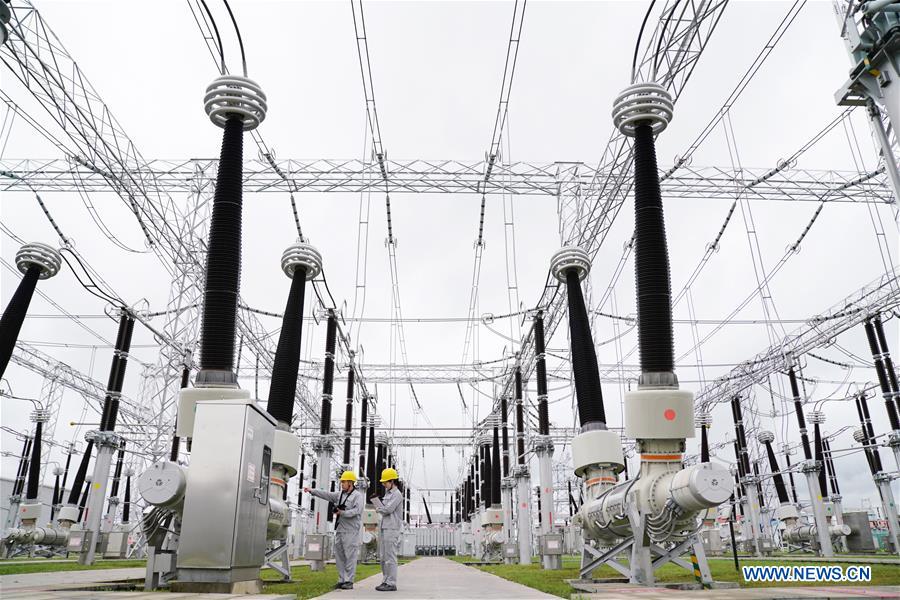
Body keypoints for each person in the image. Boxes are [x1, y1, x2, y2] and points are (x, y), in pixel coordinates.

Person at [304, 470, 363, 590]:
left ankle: (349, 581)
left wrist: (343, 513)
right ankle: (341, 580)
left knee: (350, 556)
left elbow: (357, 511)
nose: (342, 484)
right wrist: (312, 491)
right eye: (342, 482)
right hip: (340, 529)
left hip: (351, 531)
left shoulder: (358, 496)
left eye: (344, 482)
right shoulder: (340, 495)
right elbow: (327, 495)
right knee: (339, 556)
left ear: (350, 483)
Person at [375, 467, 403, 592]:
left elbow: (388, 509)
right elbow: (384, 508)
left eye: (385, 482)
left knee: (390, 556)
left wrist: (378, 508)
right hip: (384, 527)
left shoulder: (397, 494)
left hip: (392, 528)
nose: (384, 484)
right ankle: (385, 581)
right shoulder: (388, 494)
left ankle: (391, 583)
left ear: (392, 481)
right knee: (383, 557)